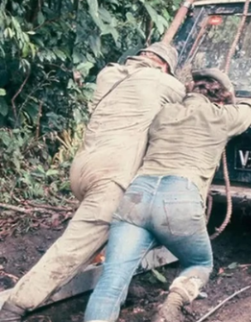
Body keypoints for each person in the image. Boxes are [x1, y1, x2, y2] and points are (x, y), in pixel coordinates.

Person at [0, 43, 185, 322]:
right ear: (164, 67)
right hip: (113, 174)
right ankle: (15, 307)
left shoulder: (108, 74)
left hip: (83, 168)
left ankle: (118, 292)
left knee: (121, 228)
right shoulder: (163, 82)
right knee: (73, 248)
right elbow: (189, 102)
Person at [83, 69, 251, 322]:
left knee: (110, 282)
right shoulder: (223, 116)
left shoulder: (163, 113)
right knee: (199, 262)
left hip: (137, 197)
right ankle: (174, 300)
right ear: (221, 99)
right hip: (179, 200)